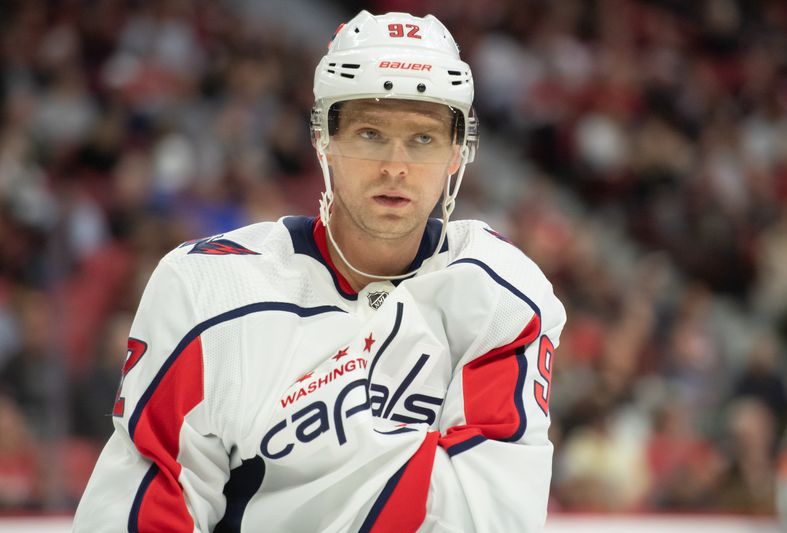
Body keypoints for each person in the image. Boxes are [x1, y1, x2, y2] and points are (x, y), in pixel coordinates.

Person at [73, 10, 566, 532]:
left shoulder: (502, 296)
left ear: (455, 155)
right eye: (370, 133)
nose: (395, 165)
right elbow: (144, 510)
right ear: (323, 141)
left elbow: (486, 520)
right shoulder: (207, 289)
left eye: (422, 139)